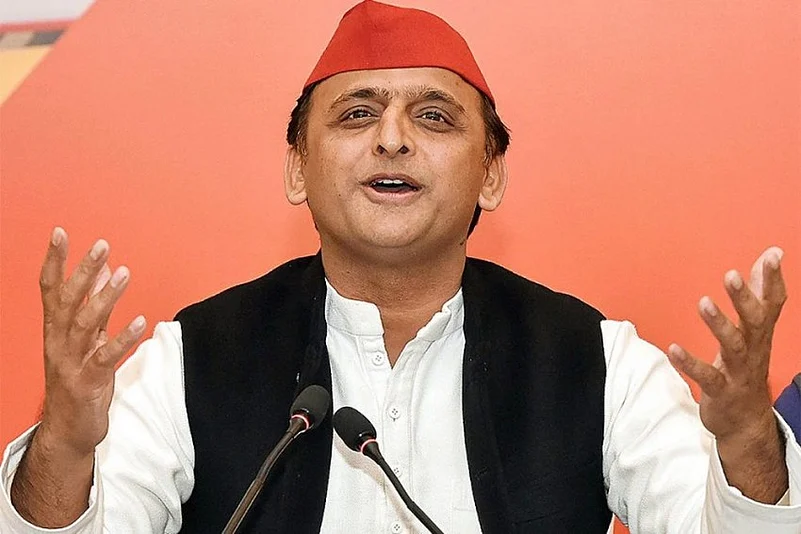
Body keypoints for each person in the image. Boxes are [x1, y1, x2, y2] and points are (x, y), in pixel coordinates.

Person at [2, 1, 800, 532]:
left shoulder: (596, 360)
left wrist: (747, 447)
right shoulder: (187, 360)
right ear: (296, 168)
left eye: (433, 117)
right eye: (356, 114)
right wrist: (65, 449)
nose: (391, 138)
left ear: (490, 173)